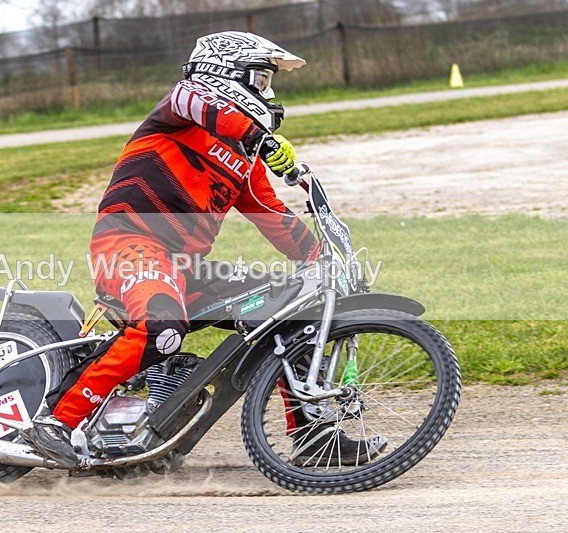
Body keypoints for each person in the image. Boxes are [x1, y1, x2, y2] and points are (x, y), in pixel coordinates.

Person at [24, 32, 383, 467]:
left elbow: (274, 217)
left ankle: (312, 436)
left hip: (183, 267)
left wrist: (323, 262)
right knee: (162, 327)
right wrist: (261, 138)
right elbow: (193, 100)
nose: (268, 92)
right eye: (261, 78)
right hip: (129, 244)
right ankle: (55, 424)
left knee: (288, 305)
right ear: (227, 73)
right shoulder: (179, 111)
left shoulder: (243, 159)